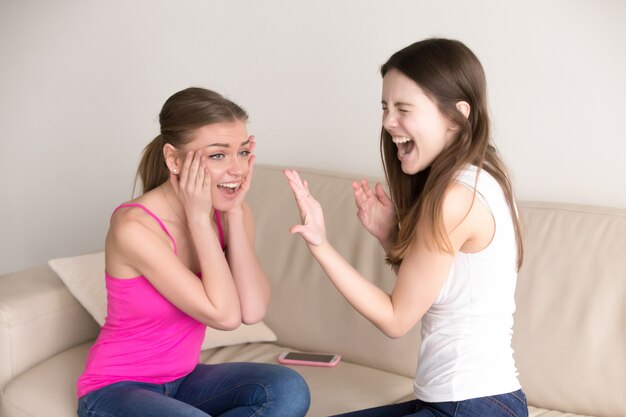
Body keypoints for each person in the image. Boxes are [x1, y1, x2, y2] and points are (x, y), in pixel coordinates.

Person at [285, 38, 528, 417]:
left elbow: (397, 319)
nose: (387, 122)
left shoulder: (454, 200)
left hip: (473, 406)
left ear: (456, 116)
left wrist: (320, 244)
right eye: (384, 107)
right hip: (470, 402)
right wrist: (390, 237)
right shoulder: (481, 178)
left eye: (403, 108)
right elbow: (445, 290)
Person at [77, 87, 310, 417]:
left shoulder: (233, 213)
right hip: (115, 389)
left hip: (184, 381)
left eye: (242, 152)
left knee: (287, 389)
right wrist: (199, 220)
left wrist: (231, 213)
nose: (237, 170)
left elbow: (252, 309)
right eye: (218, 155)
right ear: (173, 159)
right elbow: (224, 316)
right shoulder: (135, 227)